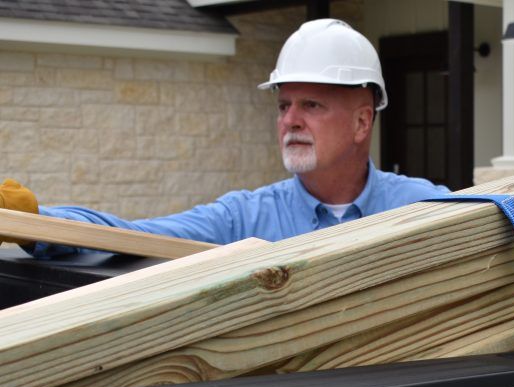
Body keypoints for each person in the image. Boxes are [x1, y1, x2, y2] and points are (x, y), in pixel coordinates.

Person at [0, 19, 448, 256]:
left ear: (361, 124)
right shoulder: (242, 220)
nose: (290, 119)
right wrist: (36, 221)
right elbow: (137, 237)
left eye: (311, 105)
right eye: (283, 105)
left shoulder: (424, 209)